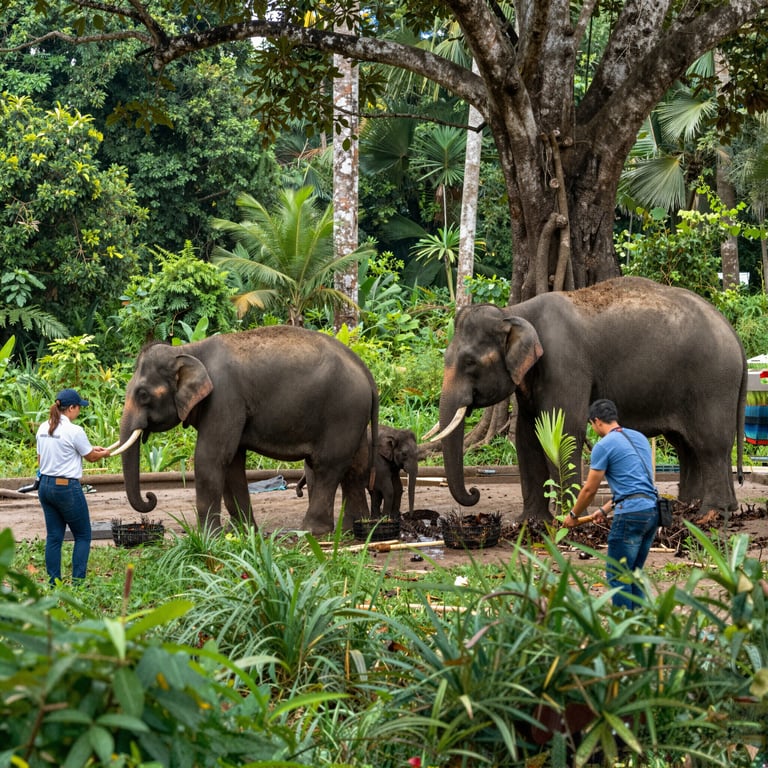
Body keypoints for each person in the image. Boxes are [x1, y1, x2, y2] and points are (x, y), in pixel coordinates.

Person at [563, 399, 659, 609]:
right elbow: (636, 483)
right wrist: (605, 509)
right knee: (633, 573)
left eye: (591, 424)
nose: (592, 428)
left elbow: (589, 490)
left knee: (618, 576)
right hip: (652, 511)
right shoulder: (639, 438)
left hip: (631, 515)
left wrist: (573, 515)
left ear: (596, 421)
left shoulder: (603, 445)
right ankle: (640, 625)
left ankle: (624, 628)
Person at [36, 388, 111, 586]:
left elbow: (41, 458)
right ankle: (78, 584)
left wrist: (91, 450)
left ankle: (54, 583)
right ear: (71, 408)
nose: (79, 411)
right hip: (66, 488)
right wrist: (104, 453)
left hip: (45, 485)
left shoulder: (43, 427)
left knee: (53, 536)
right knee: (83, 535)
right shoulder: (75, 430)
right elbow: (91, 457)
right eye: (78, 408)